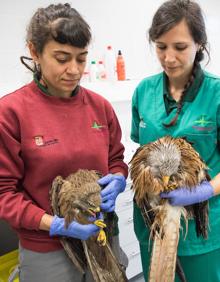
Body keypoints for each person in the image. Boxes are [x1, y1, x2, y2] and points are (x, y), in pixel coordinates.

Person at [0, 3, 128, 282]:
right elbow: (3, 194)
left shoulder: (100, 107)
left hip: (102, 234)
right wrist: (56, 225)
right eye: (61, 58)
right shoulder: (11, 113)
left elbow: (116, 159)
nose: (73, 69)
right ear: (34, 51)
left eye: (81, 59)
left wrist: (118, 178)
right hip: (47, 251)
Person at [130, 0, 220, 281]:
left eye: (180, 47)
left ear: (199, 43)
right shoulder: (144, 91)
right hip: (151, 224)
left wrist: (203, 191)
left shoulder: (216, 94)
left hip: (200, 230)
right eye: (161, 47)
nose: (169, 57)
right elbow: (139, 150)